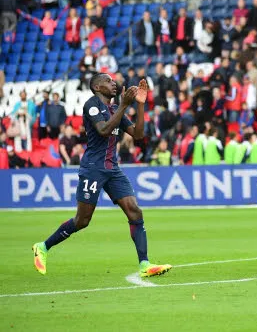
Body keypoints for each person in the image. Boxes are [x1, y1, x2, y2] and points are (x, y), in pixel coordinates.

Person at [32, 75, 172, 278]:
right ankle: (43, 246)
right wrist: (124, 105)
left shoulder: (116, 109)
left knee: (134, 211)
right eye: (108, 81)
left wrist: (140, 105)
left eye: (113, 80)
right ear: (97, 87)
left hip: (112, 169)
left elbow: (138, 134)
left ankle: (144, 264)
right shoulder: (92, 105)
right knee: (82, 220)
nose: (113, 83)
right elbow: (104, 129)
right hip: (93, 168)